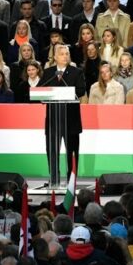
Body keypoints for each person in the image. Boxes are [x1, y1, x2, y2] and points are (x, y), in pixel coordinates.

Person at [40, 45, 87, 184]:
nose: (65, 56)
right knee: (52, 151)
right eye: (61, 54)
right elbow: (40, 89)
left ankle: (71, 181)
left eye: (67, 53)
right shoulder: (48, 72)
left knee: (72, 153)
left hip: (71, 121)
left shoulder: (76, 72)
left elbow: (81, 90)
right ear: (55, 57)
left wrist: (63, 92)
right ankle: (54, 180)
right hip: (53, 121)